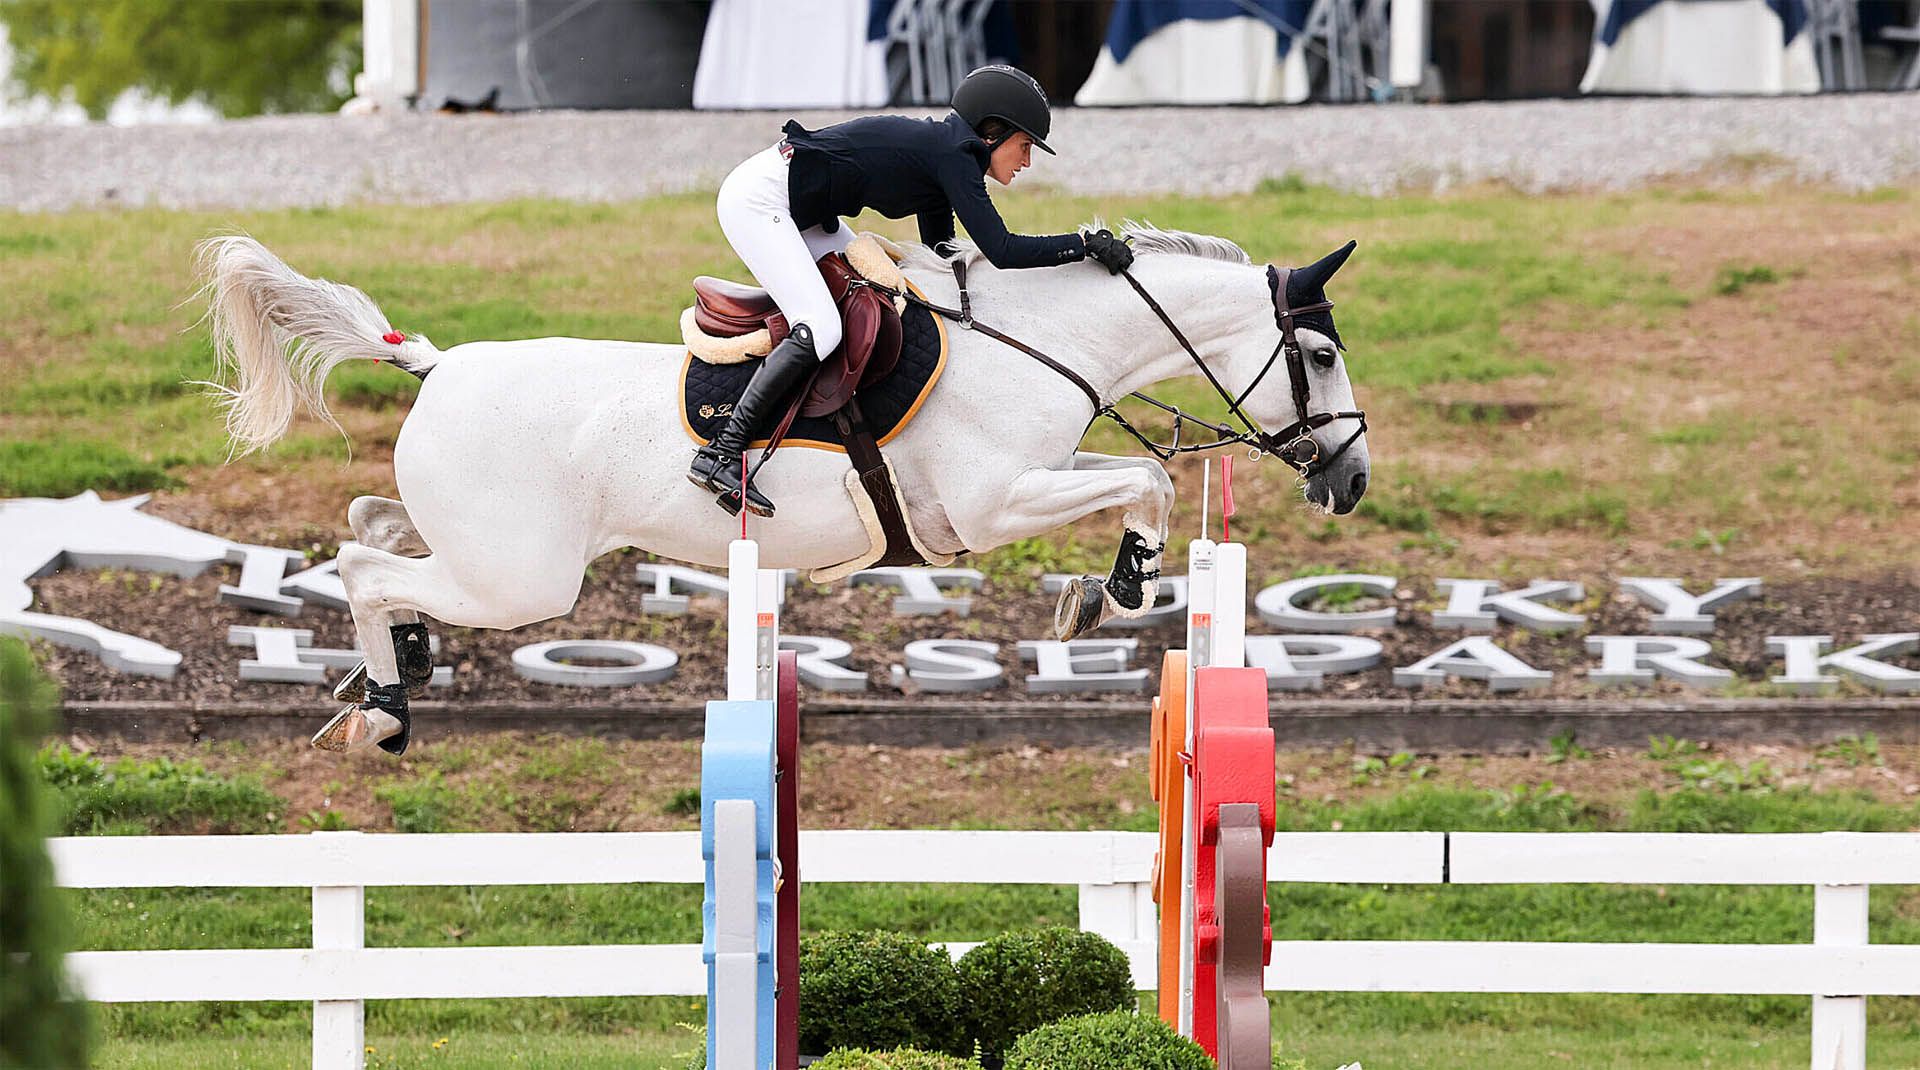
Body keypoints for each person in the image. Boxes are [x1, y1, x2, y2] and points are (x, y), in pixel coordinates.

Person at [688, 64, 1136, 517]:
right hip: (760, 201)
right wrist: (1083, 245)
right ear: (992, 133)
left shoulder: (949, 157)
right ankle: (721, 452)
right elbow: (1001, 249)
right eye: (1024, 146)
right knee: (821, 327)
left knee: (878, 295)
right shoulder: (954, 157)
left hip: (806, 212)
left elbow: (942, 255)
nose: (1027, 161)